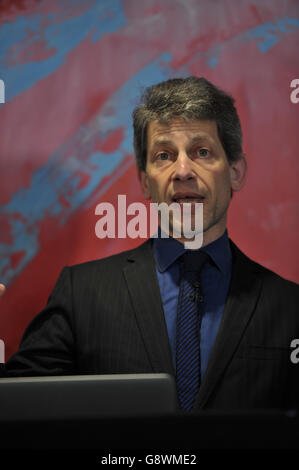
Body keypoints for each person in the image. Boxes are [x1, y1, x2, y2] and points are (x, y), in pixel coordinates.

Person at [1, 77, 298, 412]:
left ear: (235, 172)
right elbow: (19, 412)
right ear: (145, 181)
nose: (183, 171)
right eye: (164, 155)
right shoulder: (80, 293)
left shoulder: (291, 308)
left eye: (202, 152)